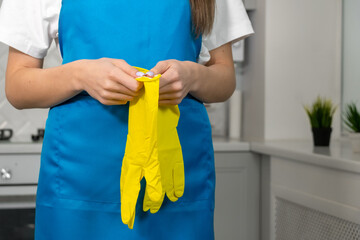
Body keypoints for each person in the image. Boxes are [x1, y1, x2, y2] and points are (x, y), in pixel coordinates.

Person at [0, 0, 254, 239]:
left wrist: (193, 76)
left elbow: (224, 79)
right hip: (81, 178)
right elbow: (17, 86)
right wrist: (79, 75)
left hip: (174, 177)